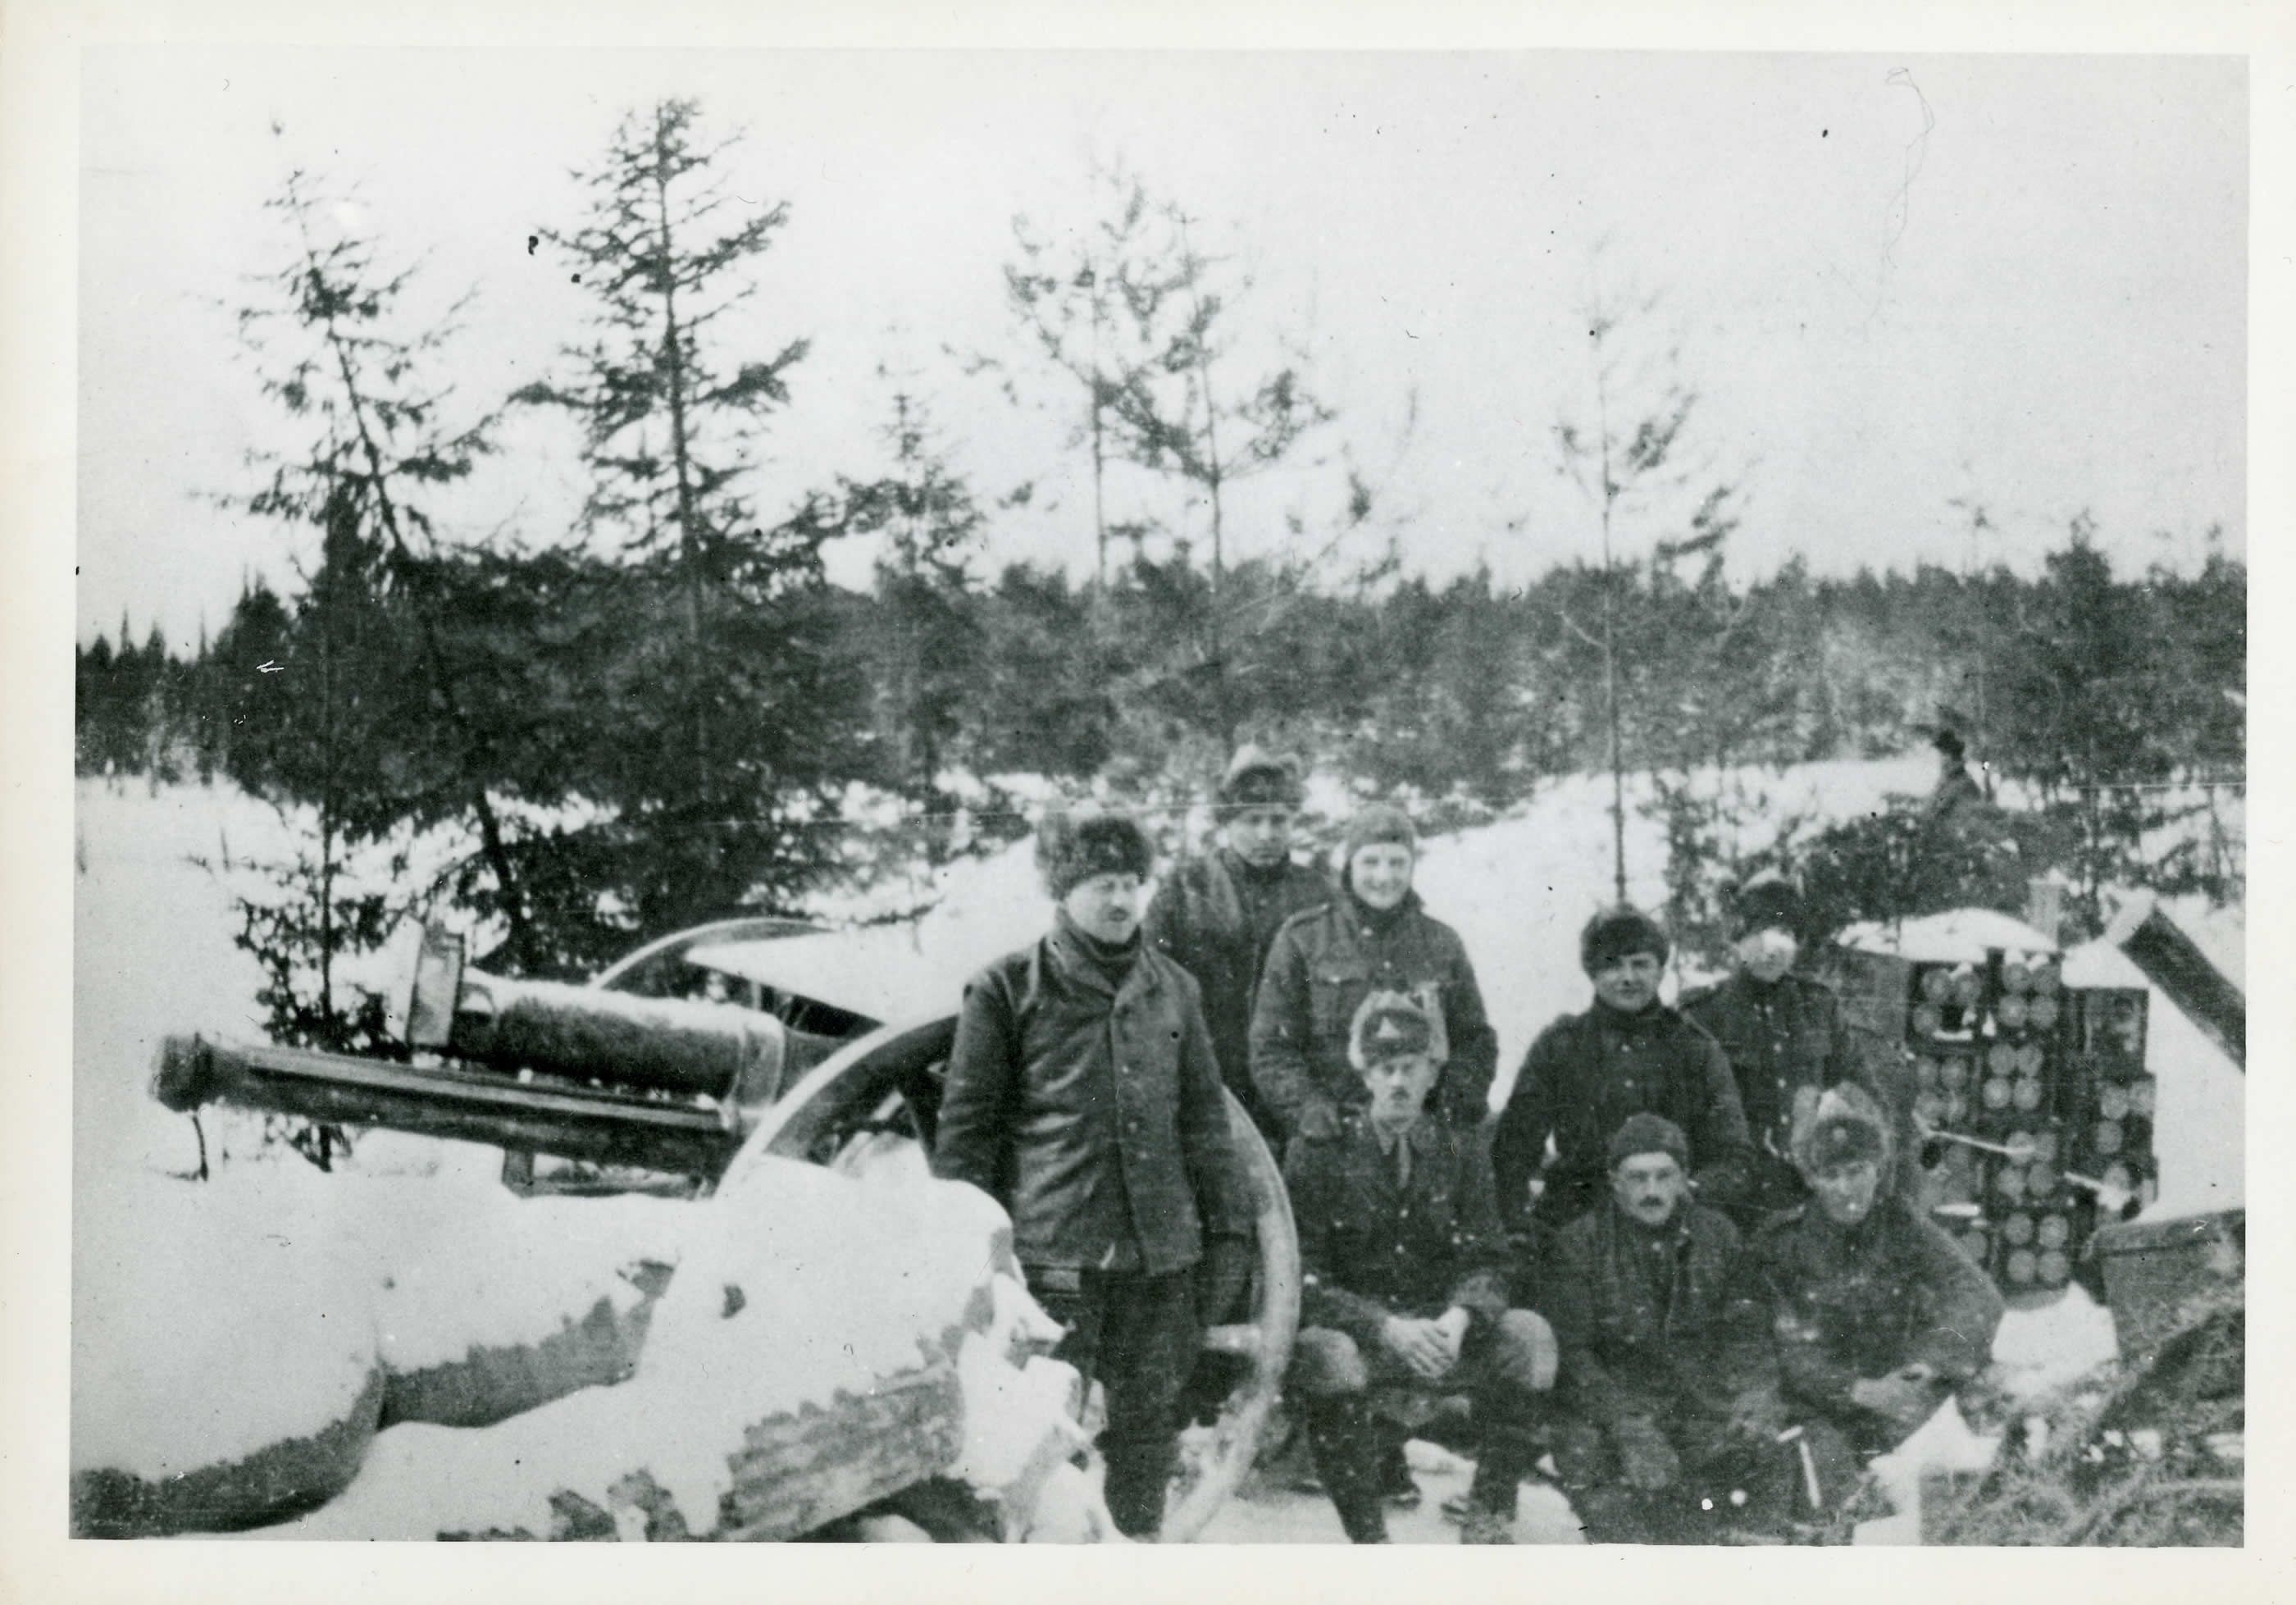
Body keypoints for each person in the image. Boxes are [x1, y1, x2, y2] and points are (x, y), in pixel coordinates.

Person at [932, 805, 1253, 1540]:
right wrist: (976, 1262)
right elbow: (966, 1140)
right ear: (1063, 889)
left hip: (1159, 1263)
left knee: (1147, 1433)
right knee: (1045, 1437)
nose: (1119, 900)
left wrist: (1228, 1237)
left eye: (1131, 883)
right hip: (1054, 1265)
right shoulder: (1006, 988)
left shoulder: (1176, 990)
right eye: (1101, 883)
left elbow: (1206, 1126)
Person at [1282, 991, 1557, 1544]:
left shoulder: (1460, 1151)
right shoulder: (1320, 1151)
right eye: (1385, 1068)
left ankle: (1489, 1514)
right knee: (1328, 1355)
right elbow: (1301, 1275)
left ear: (1433, 1073)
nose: (1398, 1082)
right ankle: (1370, 1538)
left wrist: (1459, 1318)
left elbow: (1489, 1256)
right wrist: (1384, 1325)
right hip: (1362, 1336)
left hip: (1440, 1335)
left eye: (1410, 1067)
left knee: (1531, 1337)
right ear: (1364, 1073)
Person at [1752, 1082, 2005, 1516]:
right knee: (1843, 1508)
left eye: (1857, 1171)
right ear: (1811, 1180)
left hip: (1903, 1395)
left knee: (1966, 1481)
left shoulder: (1900, 1222)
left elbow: (1976, 1294)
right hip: (1823, 1410)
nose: (1847, 1189)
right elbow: (1784, 1351)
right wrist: (1858, 1390)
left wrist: (1929, 1362)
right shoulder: (1783, 1245)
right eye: (1832, 1176)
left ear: (1877, 1169)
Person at [1545, 1114, 1788, 1543]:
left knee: (1763, 1469)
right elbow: (1573, 1355)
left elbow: (1747, 1330)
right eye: (1637, 1178)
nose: (1652, 1191)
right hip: (1610, 1413)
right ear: (1614, 1181)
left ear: (1684, 1179)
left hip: (1696, 1405)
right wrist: (1628, 1427)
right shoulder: (1579, 1244)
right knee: (1614, 1509)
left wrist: (1754, 1391)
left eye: (1664, 1176)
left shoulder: (1719, 1236)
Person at [1492, 906, 1755, 1248]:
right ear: (1593, 973)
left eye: (1641, 964)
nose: (1627, 977)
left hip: (1674, 1224)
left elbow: (1735, 1157)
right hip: (1580, 1226)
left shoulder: (1696, 1049)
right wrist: (1518, 1226)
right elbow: (1514, 1149)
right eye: (1612, 964)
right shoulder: (1560, 1046)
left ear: (1661, 970)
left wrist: (1686, 1192)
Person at [1249, 803, 1498, 1142]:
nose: (1384, 877)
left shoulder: (1442, 943)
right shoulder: (1303, 938)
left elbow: (1475, 1040)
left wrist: (1452, 1101)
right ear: (1350, 865)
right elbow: (1271, 1046)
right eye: (1371, 862)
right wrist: (1308, 1107)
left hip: (1422, 1134)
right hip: (1334, 1136)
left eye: (1397, 863)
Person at [1145, 746, 1333, 1138]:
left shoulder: (1317, 894)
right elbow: (1150, 986)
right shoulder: (1185, 889)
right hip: (1207, 1080)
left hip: (1294, 1087)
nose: (1267, 833)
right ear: (1227, 822)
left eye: (1278, 820)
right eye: (1252, 820)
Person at [1679, 875, 1866, 1233]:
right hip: (1730, 1203)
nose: (1770, 949)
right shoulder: (1703, 1015)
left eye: (1784, 934)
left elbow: (1861, 1092)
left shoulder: (1819, 1007)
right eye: (1758, 932)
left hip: (1808, 1197)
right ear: (1738, 939)